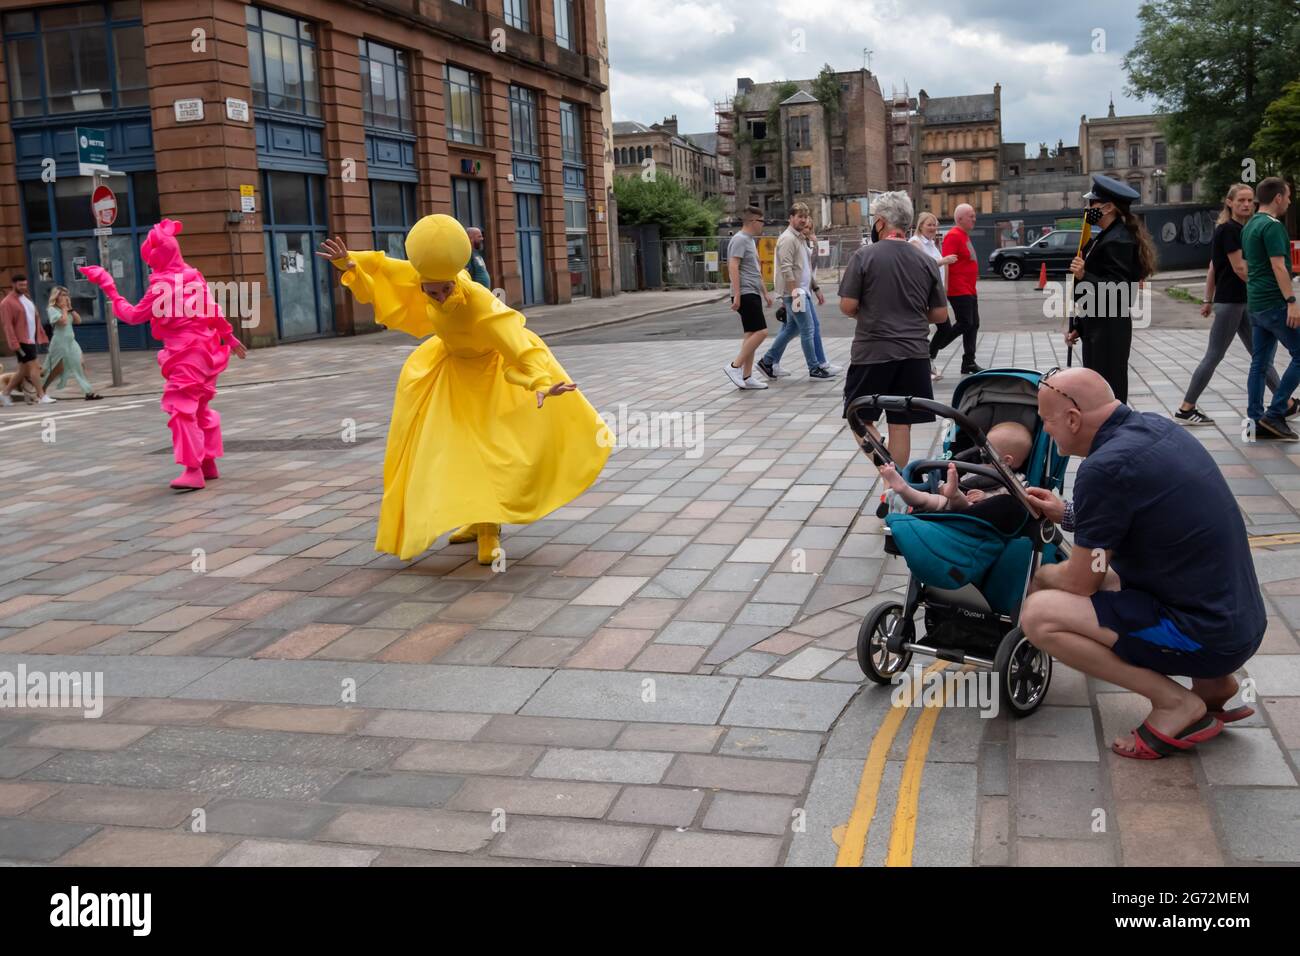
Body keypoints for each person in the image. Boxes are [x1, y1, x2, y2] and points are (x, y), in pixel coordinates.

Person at [317, 214, 612, 565]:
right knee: (453, 449)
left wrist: (541, 381)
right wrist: (350, 263)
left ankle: (489, 529)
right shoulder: (423, 275)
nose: (439, 296)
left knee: (488, 451)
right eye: (431, 291)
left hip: (489, 375)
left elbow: (517, 342)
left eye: (445, 289)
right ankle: (474, 520)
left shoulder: (479, 301)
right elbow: (384, 267)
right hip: (448, 371)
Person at [1021, 367, 1264, 760]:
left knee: (1040, 614)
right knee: (1110, 580)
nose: (1045, 430)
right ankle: (1214, 685)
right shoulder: (1155, 428)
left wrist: (1040, 577)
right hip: (1237, 621)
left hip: (1204, 634)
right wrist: (1066, 513)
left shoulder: (1102, 470)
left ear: (1072, 419)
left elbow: (1082, 583)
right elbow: (1132, 511)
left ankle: (1176, 704)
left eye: (1046, 421)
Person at [80, 219, 247, 490]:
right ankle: (208, 463)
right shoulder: (193, 276)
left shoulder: (161, 287)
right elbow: (213, 310)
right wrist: (228, 336)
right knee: (201, 407)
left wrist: (109, 287)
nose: (149, 265)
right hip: (207, 352)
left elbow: (133, 316)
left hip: (184, 355)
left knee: (182, 411)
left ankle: (193, 470)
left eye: (150, 259)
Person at [838, 190, 949, 468]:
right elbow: (939, 314)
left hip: (873, 352)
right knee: (902, 423)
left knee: (859, 418)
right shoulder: (925, 260)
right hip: (915, 354)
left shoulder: (864, 256)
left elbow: (848, 305)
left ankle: (891, 475)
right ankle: (896, 491)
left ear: (879, 222)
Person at [1177, 184, 1295, 425]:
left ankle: (1288, 404)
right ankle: (1186, 407)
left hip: (1242, 301)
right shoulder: (1229, 230)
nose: (1246, 204)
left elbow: (1212, 268)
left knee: (1260, 357)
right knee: (1215, 355)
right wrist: (1263, 286)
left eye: (1250, 200)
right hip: (1233, 302)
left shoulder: (1245, 228)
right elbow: (1240, 268)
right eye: (1240, 200)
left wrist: (1208, 299)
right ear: (1229, 202)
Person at [1063, 174, 1157, 404]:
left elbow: (1120, 290)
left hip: (1109, 330)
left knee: (1109, 393)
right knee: (1096, 391)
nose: (1088, 208)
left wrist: (1085, 275)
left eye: (1092, 203)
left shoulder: (1119, 240)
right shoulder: (1105, 236)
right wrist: (1080, 326)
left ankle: (1116, 436)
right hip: (1097, 326)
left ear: (1107, 207)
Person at [1243, 176, 1300, 441]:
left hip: (1255, 304)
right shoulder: (1273, 226)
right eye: (1287, 196)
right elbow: (1278, 266)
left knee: (1260, 363)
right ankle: (1275, 414)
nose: (1289, 201)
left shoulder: (1250, 225)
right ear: (1278, 197)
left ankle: (1255, 420)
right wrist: (1292, 301)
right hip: (1275, 303)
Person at [879, 421, 1032, 512]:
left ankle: (951, 493)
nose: (981, 452)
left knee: (948, 500)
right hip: (952, 502)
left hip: (978, 511)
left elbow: (1013, 503)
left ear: (1007, 460)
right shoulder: (977, 467)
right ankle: (904, 490)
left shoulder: (1018, 481)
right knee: (931, 499)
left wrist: (986, 497)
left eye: (988, 450)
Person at [755, 203, 831, 380]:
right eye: (799, 216)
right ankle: (814, 367)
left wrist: (815, 288)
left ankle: (767, 361)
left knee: (792, 329)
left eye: (805, 216)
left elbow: (804, 267)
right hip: (795, 293)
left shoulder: (798, 238)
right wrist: (795, 293)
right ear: (791, 218)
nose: (803, 220)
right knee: (808, 329)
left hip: (801, 291)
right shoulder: (788, 239)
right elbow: (786, 269)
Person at [928, 203, 983, 376]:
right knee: (965, 322)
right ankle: (934, 347)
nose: (974, 219)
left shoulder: (964, 235)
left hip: (969, 288)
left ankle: (969, 362)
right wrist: (945, 287)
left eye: (974, 215)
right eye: (971, 216)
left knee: (973, 324)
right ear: (960, 219)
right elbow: (946, 263)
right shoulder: (953, 235)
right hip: (958, 289)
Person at [724, 206, 771, 390]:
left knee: (751, 334)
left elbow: (755, 270)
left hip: (752, 291)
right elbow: (733, 266)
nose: (763, 225)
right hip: (744, 292)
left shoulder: (750, 241)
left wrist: (765, 292)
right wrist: (736, 295)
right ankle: (734, 366)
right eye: (761, 221)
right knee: (762, 332)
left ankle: (747, 376)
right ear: (752, 222)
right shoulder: (739, 239)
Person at [909, 213, 958, 380]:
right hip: (922, 293)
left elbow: (939, 269)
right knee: (932, 328)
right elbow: (921, 266)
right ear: (920, 225)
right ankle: (925, 364)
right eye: (929, 225)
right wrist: (944, 261)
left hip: (935, 292)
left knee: (943, 328)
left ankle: (928, 360)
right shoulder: (915, 243)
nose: (933, 228)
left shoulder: (931, 243)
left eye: (935, 225)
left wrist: (944, 288)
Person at [0, 274, 54, 406]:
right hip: (21, 341)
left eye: (25, 284)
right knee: (34, 367)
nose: (24, 287)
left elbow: (33, 318)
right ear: (13, 285)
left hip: (31, 339)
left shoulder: (27, 298)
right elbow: (7, 325)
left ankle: (5, 393)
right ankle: (41, 395)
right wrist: (15, 344)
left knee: (23, 370)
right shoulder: (6, 303)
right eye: (20, 285)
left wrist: (41, 335)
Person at [43, 286, 102, 401]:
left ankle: (88, 392)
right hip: (59, 343)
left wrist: (70, 309)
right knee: (54, 369)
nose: (66, 297)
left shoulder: (67, 309)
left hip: (71, 342)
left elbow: (78, 321)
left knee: (80, 364)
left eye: (67, 295)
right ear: (57, 296)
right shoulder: (52, 309)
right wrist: (64, 310)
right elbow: (63, 322)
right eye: (63, 295)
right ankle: (41, 389)